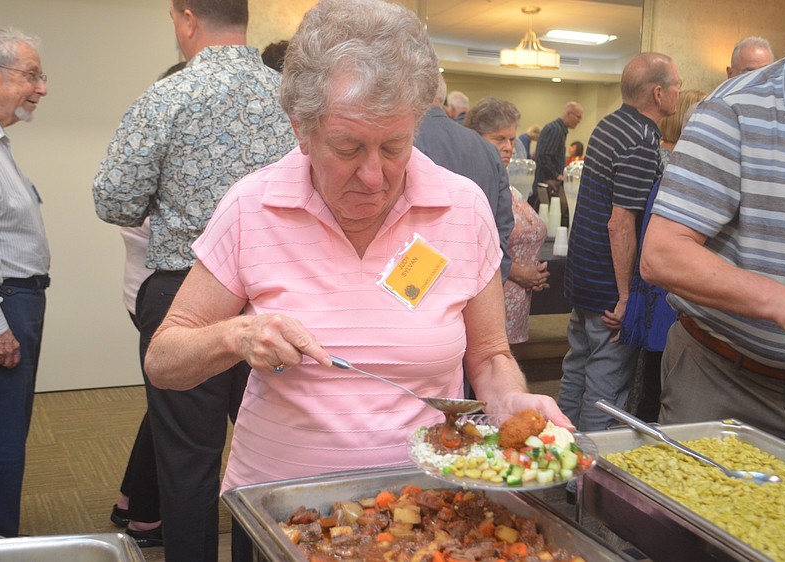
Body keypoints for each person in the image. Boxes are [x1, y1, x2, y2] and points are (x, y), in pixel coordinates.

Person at [140, 2, 572, 561]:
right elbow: (164, 358)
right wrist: (238, 337)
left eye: (394, 147)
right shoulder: (253, 204)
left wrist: (508, 399)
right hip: (281, 514)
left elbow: (488, 355)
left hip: (426, 513)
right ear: (300, 129)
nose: (374, 175)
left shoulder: (461, 208)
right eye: (348, 148)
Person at [92, 0, 297, 559]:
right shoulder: (290, 99)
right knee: (267, 456)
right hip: (271, 298)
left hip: (185, 293)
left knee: (186, 462)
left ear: (186, 18)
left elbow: (113, 200)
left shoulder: (167, 95)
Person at [641, 0, 785, 467]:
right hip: (723, 380)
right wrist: (780, 299)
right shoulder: (735, 109)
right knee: (697, 535)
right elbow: (662, 254)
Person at [557, 52, 680, 432]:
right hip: (611, 290)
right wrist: (626, 297)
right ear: (659, 94)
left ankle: (561, 469)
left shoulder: (609, 125)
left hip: (585, 280)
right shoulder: (643, 140)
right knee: (605, 393)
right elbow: (620, 224)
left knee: (575, 374)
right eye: (676, 85)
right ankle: (587, 481)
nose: (679, 92)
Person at [108, 60, 186, 547]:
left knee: (164, 404)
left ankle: (132, 502)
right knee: (175, 408)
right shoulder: (159, 157)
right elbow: (130, 218)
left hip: (149, 290)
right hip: (157, 293)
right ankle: (144, 514)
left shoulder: (162, 156)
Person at [620, 89, 705, 423]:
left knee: (658, 389)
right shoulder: (674, 177)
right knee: (655, 392)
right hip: (668, 299)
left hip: (679, 301)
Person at [0, 27, 49, 540]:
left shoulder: (2, 144)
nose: (41, 88)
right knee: (5, 438)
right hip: (6, 306)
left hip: (19, 301)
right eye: (31, 75)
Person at [464, 97, 550, 343]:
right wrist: (519, 272)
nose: (508, 147)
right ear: (476, 139)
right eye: (499, 139)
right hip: (489, 300)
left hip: (516, 304)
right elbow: (474, 248)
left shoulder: (509, 186)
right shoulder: (473, 185)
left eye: (512, 139)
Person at [414, 75, 514, 282]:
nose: (508, 146)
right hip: (476, 281)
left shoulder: (397, 141)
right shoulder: (488, 151)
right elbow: (502, 225)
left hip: (413, 283)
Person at [531, 101, 584, 222]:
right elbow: (543, 156)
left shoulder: (557, 129)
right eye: (578, 117)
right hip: (545, 187)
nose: (579, 121)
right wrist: (557, 175)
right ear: (569, 114)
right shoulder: (555, 130)